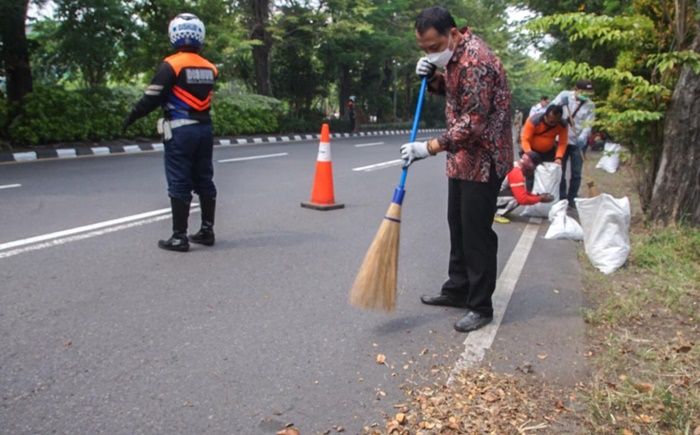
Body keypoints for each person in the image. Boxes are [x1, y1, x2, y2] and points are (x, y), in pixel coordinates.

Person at [401, 6, 513, 333]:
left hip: (484, 159)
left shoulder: (477, 62)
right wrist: (432, 77)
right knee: (458, 225)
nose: (432, 53)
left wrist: (429, 147)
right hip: (462, 159)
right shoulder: (453, 59)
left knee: (476, 233)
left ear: (453, 33)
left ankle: (480, 305)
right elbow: (453, 92)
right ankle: (457, 288)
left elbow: (473, 124)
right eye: (424, 50)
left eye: (434, 47)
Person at [123, 13, 218, 252]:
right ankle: (207, 230)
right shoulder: (210, 68)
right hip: (204, 130)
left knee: (179, 181)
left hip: (180, 131)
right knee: (205, 179)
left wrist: (130, 118)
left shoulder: (171, 64)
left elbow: (151, 98)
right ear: (200, 36)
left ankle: (179, 237)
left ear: (174, 35)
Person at [551, 79, 595, 207]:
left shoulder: (590, 105)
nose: (586, 95)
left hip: (578, 142)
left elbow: (589, 124)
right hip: (562, 139)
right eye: (584, 92)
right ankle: (562, 197)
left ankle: (572, 198)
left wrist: (583, 137)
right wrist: (560, 106)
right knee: (561, 170)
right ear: (576, 89)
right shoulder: (564, 95)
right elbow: (551, 110)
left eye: (589, 93)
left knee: (576, 172)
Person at [520, 104, 568, 190]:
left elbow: (562, 143)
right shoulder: (534, 121)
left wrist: (559, 157)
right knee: (531, 175)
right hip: (532, 151)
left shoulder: (562, 124)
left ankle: (557, 196)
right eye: (551, 120)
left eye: (555, 121)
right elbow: (525, 139)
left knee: (552, 174)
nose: (552, 123)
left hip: (548, 152)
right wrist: (529, 153)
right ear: (546, 115)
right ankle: (530, 195)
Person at [495, 151, 554, 220]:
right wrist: (540, 198)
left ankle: (501, 209)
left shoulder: (516, 166)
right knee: (516, 198)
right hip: (491, 196)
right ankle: (497, 213)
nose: (534, 169)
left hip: (493, 193)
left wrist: (536, 196)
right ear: (530, 165)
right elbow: (522, 199)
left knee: (517, 193)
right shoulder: (516, 173)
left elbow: (522, 191)